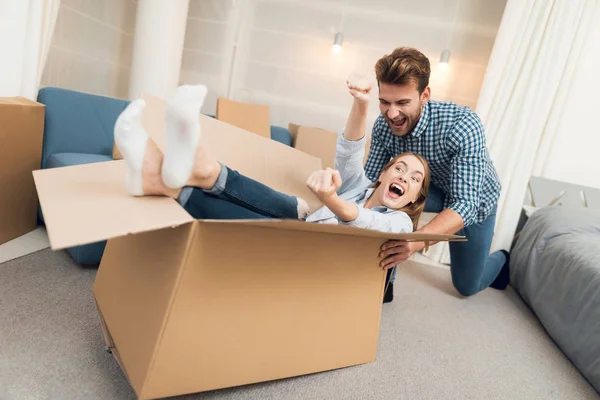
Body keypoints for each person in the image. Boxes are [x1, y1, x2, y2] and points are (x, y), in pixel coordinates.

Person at [114, 84, 431, 303]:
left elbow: (365, 225)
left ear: (414, 198)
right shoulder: (359, 187)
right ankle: (186, 173)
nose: (405, 177)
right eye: (400, 168)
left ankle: (175, 175)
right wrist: (361, 104)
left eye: (415, 179)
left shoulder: (401, 224)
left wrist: (330, 199)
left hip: (312, 267)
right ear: (384, 174)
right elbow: (350, 150)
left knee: (265, 225)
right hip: (305, 229)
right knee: (291, 207)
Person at [354, 47, 507, 298]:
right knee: (392, 190)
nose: (392, 114)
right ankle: (385, 280)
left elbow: (465, 203)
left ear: (425, 94)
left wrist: (413, 243)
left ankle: (502, 260)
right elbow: (370, 185)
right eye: (385, 102)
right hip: (429, 189)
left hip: (474, 200)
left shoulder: (462, 124)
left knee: (467, 286)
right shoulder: (383, 126)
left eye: (403, 103)